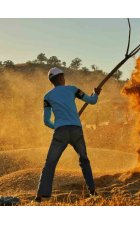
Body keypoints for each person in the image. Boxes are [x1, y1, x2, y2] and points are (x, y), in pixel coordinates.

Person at [35, 67, 101, 202]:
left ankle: (41, 196)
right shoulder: (73, 89)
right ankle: (93, 191)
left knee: (50, 163)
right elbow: (92, 101)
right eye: (63, 77)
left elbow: (46, 121)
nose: (64, 79)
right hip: (76, 130)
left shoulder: (47, 96)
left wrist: (58, 126)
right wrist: (96, 93)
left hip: (60, 132)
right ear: (60, 78)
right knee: (84, 160)